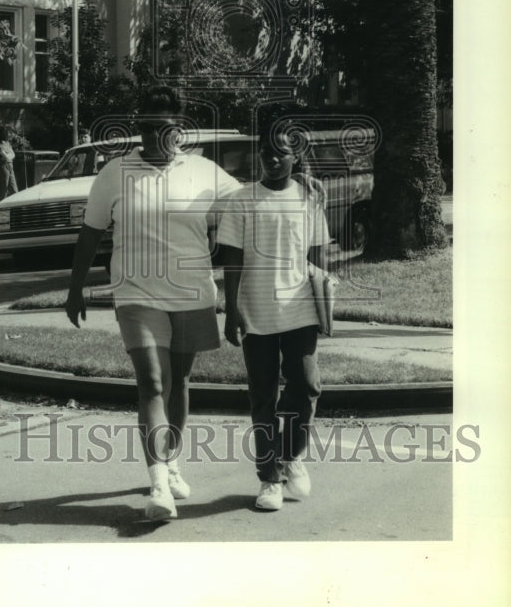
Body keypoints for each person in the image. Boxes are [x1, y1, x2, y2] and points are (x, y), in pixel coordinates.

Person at [65, 87, 243, 521]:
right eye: (144, 127)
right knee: (152, 382)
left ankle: (173, 459)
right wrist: (75, 288)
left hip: (192, 292)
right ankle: (158, 481)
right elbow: (91, 232)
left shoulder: (204, 171)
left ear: (179, 129)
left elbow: (251, 203)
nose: (151, 136)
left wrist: (300, 183)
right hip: (135, 293)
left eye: (161, 127)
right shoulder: (115, 172)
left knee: (179, 383)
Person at [218, 131, 330, 512]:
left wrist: (324, 304)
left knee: (306, 386)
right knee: (263, 396)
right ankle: (268, 478)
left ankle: (291, 457)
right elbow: (231, 259)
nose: (272, 159)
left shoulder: (309, 199)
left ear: (295, 157)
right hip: (257, 313)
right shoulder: (241, 200)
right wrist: (231, 309)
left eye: (280, 153)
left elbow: (318, 258)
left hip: (300, 312)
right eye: (266, 152)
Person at [0, 125, 18, 201]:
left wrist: (9, 156)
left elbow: (13, 154)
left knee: (15, 190)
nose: (7, 134)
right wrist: (9, 156)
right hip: (3, 167)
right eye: (6, 133)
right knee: (3, 189)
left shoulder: (7, 143)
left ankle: (16, 208)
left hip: (10, 166)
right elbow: (6, 156)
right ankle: (1, 207)